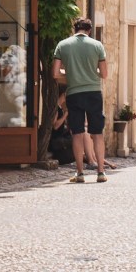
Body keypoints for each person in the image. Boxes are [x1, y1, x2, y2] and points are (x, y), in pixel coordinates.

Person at [52, 17, 109, 183]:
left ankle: (80, 173)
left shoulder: (62, 45)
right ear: (89, 30)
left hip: (74, 93)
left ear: (75, 29)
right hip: (93, 92)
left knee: (77, 133)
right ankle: (100, 172)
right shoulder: (97, 45)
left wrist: (71, 75)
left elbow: (55, 74)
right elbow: (104, 74)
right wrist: (90, 74)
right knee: (97, 133)